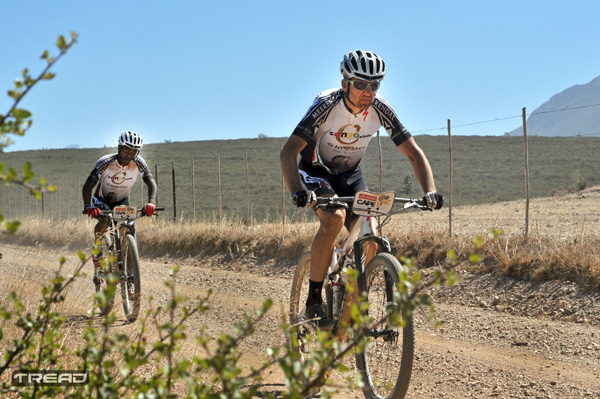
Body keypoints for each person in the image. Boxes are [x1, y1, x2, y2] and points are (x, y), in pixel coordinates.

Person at [280, 49, 444, 329]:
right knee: (334, 220)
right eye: (360, 84)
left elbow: (413, 153)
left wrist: (430, 191)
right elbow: (288, 152)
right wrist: (298, 189)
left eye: (375, 85)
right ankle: (313, 302)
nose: (368, 91)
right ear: (345, 83)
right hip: (316, 172)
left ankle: (351, 300)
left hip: (350, 176)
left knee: (371, 238)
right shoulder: (326, 104)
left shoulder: (380, 108)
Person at [82, 131, 157, 270]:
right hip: (101, 200)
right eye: (126, 150)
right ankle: (97, 248)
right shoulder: (105, 162)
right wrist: (88, 206)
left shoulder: (139, 162)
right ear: (119, 148)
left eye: (133, 151)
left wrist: (151, 202)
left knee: (128, 229)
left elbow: (151, 183)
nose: (129, 154)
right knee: (105, 220)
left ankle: (130, 279)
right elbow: (88, 186)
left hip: (122, 201)